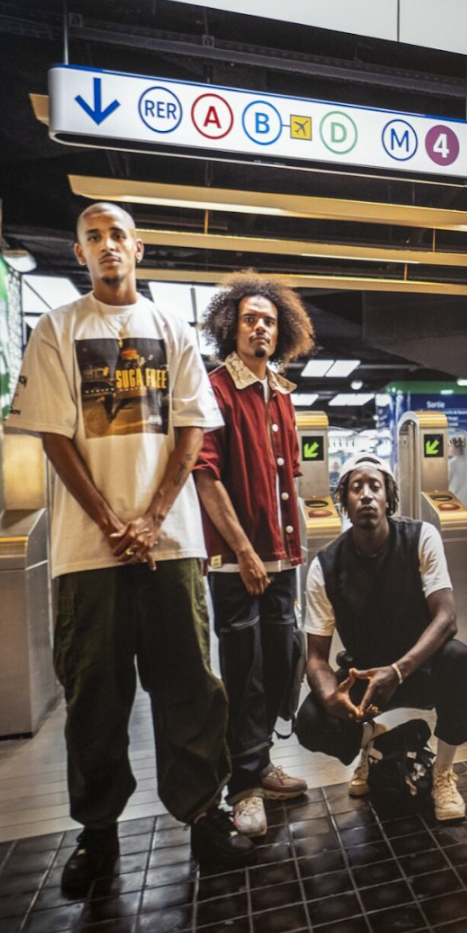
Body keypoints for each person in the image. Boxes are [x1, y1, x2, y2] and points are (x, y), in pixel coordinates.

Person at [8, 201, 254, 894]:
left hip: (171, 544)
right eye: (94, 236)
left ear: (137, 247)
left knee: (189, 687)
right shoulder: (58, 329)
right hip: (88, 553)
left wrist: (149, 519)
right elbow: (56, 437)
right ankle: (98, 834)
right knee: (93, 694)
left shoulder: (171, 329)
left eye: (118, 234)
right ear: (80, 252)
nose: (107, 245)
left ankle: (205, 817)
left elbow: (191, 434)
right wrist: (113, 522)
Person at [192, 271, 318, 838]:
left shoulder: (283, 394)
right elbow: (206, 477)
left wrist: (296, 546)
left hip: (283, 559)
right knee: (243, 672)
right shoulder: (215, 389)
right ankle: (242, 786)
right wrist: (243, 551)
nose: (260, 328)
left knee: (278, 660)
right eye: (249, 319)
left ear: (281, 330)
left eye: (268, 320)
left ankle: (260, 763)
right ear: (231, 327)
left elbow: (290, 473)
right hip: (237, 562)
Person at [295, 454, 467, 821]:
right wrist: (330, 695)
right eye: (356, 487)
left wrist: (399, 670)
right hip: (366, 682)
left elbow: (447, 617)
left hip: (419, 671)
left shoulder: (421, 537)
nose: (366, 495)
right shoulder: (324, 566)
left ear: (388, 497)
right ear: (343, 500)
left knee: (457, 657)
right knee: (310, 720)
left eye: (375, 486)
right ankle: (375, 743)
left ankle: (442, 774)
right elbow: (315, 657)